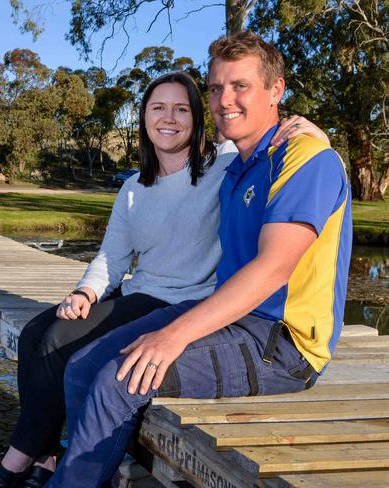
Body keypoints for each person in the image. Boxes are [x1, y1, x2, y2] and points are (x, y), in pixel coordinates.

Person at [0, 71, 328, 488]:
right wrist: (86, 292)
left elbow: (267, 141)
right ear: (143, 118)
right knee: (37, 332)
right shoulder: (132, 188)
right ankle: (48, 455)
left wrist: (315, 135)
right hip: (141, 292)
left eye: (181, 109)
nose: (169, 118)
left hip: (185, 301)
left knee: (58, 347)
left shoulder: (226, 165)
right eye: (158, 108)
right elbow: (111, 256)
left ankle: (17, 466)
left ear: (197, 119)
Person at [44, 31, 352, 488]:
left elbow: (273, 269)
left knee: (117, 380)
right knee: (82, 367)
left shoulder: (306, 158)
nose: (225, 99)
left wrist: (172, 337)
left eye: (240, 86)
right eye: (215, 87)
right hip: (230, 318)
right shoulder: (236, 167)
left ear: (276, 91)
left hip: (282, 344)